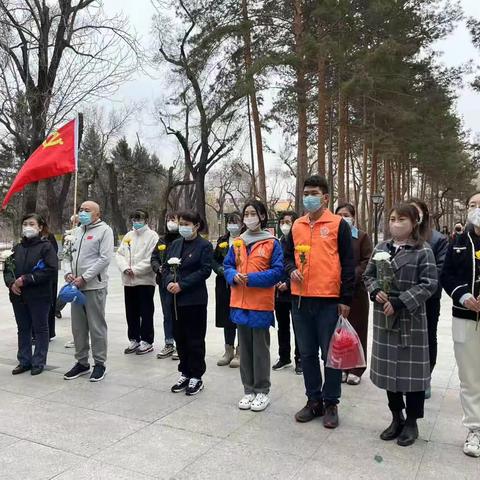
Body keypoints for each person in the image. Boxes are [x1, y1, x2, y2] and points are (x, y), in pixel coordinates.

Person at [364, 203, 437, 447]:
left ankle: (412, 421)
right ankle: (396, 416)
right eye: (393, 218)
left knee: (413, 376)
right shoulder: (380, 247)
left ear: (414, 223)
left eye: (402, 219)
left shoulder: (422, 250)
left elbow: (429, 284)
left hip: (410, 321)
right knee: (389, 375)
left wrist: (400, 301)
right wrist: (375, 292)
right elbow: (368, 275)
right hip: (385, 320)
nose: (396, 223)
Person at [284, 175, 355, 429]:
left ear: (325, 198)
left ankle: (331, 403)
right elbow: (287, 256)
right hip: (300, 300)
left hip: (328, 301)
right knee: (306, 353)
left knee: (330, 355)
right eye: (305, 193)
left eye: (314, 193)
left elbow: (348, 263)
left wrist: (346, 298)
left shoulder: (338, 225)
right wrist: (291, 269)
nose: (308, 197)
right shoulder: (297, 226)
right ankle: (313, 400)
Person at [224, 200, 284, 412]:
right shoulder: (238, 242)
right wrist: (233, 275)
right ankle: (248, 389)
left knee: (260, 349)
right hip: (239, 302)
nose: (249, 217)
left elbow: (278, 272)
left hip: (260, 304)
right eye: (246, 213)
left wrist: (251, 279)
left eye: (253, 213)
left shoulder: (271, 242)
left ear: (262, 216)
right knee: (245, 349)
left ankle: (262, 391)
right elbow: (227, 266)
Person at [441, 191, 480, 458]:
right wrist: (463, 295)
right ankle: (475, 429)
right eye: (472, 205)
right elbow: (447, 275)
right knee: (470, 378)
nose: (476, 209)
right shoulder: (457, 241)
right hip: (465, 317)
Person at [63, 201, 114, 382]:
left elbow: (105, 258)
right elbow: (66, 256)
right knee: (78, 327)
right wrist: (68, 272)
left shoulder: (105, 231)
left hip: (93, 286)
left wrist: (85, 277)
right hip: (75, 287)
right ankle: (81, 362)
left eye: (87, 210)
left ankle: (99, 363)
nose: (82, 212)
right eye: (81, 210)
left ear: (97, 214)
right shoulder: (75, 232)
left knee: (96, 326)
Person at [165, 210, 213, 396]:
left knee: (195, 339)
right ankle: (184, 372)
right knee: (180, 338)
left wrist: (182, 285)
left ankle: (196, 375)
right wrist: (169, 281)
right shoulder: (176, 244)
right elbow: (166, 266)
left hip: (194, 300)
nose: (183, 227)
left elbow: (205, 270)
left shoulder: (204, 246)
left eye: (186, 224)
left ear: (196, 225)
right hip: (175, 301)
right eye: (181, 223)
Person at [3, 214, 58, 376]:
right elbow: (7, 268)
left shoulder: (46, 247)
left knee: (40, 329)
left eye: (31, 224)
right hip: (18, 296)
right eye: (25, 223)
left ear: (40, 227)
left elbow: (51, 269)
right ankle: (24, 361)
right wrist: (11, 283)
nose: (27, 226)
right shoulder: (17, 248)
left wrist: (26, 279)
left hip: (39, 295)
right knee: (23, 329)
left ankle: (38, 361)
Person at [409, 198, 448, 399]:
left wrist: (419, 291)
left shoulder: (437, 239)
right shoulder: (400, 239)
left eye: (417, 212)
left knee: (427, 337)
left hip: (428, 300)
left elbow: (439, 272)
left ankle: (425, 378)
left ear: (423, 214)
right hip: (404, 301)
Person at [335, 203, 373, 385]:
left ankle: (357, 368)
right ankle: (342, 366)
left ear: (353, 217)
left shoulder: (362, 237)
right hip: (336, 290)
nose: (343, 218)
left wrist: (349, 276)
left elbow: (367, 262)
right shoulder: (332, 235)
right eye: (339, 215)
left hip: (357, 291)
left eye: (346, 214)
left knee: (357, 330)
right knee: (340, 331)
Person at [116, 209, 159, 355]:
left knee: (146, 311)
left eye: (139, 218)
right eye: (134, 219)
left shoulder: (153, 236)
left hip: (144, 280)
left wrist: (135, 269)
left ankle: (147, 340)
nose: (136, 221)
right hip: (128, 280)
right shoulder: (129, 235)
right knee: (131, 311)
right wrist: (125, 268)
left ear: (146, 220)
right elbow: (120, 254)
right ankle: (134, 338)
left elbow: (152, 258)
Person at [272, 211, 302, 375]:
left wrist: (288, 283)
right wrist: (276, 282)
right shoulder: (278, 243)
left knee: (298, 327)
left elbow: (302, 267)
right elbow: (274, 265)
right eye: (282, 221)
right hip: (279, 293)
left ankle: (300, 359)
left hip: (295, 291)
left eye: (288, 222)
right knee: (282, 326)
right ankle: (284, 357)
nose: (284, 225)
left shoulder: (299, 243)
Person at [213, 212, 243, 368]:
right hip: (224, 285)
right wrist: (219, 269)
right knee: (227, 318)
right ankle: (228, 350)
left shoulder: (245, 239)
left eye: (235, 222)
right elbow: (214, 259)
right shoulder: (222, 240)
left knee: (240, 317)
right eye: (230, 222)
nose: (232, 225)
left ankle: (240, 351)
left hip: (241, 284)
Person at [151, 213, 181, 359]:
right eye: (168, 220)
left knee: (179, 314)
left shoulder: (183, 239)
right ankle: (169, 343)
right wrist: (158, 268)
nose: (170, 223)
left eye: (173, 220)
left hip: (179, 283)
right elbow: (154, 257)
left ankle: (181, 345)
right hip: (163, 282)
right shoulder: (162, 240)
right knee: (167, 314)